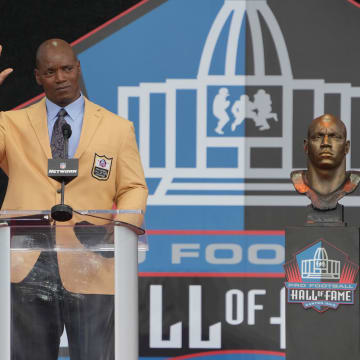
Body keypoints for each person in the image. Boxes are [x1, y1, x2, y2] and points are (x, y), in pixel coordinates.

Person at [0, 40, 148, 359]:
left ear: (78, 68)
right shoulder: (10, 124)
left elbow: (133, 187)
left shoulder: (116, 128)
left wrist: (122, 229)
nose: (61, 77)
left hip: (92, 258)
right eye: (51, 71)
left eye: (67, 68)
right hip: (26, 262)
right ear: (38, 76)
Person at [291, 113, 360, 210]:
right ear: (306, 146)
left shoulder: (354, 180)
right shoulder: (298, 181)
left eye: (335, 137)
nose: (326, 143)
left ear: (346, 147)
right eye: (317, 137)